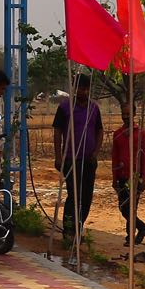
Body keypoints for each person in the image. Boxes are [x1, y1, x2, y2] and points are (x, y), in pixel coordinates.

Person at [53, 74, 104, 241]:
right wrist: (58, 157)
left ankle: (78, 227)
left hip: (88, 160)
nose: (84, 91)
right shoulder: (65, 107)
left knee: (86, 196)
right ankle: (69, 230)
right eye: (81, 88)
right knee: (74, 195)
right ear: (75, 89)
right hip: (71, 159)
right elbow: (57, 132)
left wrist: (95, 153)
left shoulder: (94, 108)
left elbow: (99, 130)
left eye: (87, 88)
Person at [111, 109, 145, 246]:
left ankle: (132, 235)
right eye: (124, 114)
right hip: (122, 176)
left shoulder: (140, 134)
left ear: (134, 114)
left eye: (128, 114)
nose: (126, 117)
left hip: (135, 177)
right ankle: (141, 228)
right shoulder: (117, 134)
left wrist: (144, 178)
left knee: (131, 208)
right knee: (124, 208)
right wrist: (114, 178)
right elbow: (115, 157)